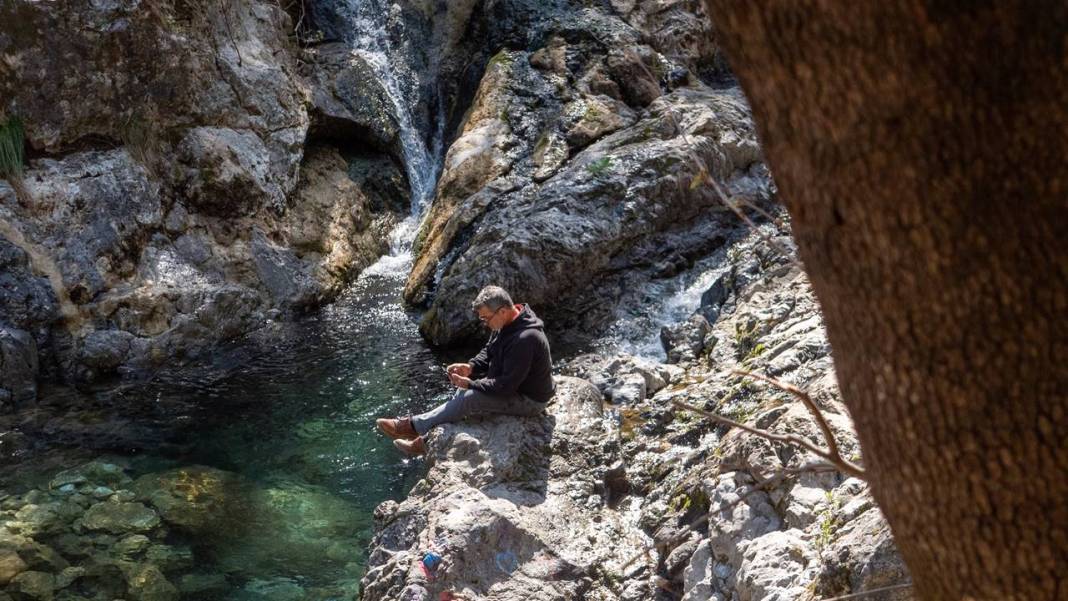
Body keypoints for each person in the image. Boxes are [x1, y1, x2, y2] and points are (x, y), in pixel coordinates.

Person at [376, 285, 556, 456]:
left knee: (470, 398)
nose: (485, 323)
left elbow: (505, 386)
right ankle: (425, 441)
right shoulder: (507, 322)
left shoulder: (525, 339)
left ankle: (411, 427)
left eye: (486, 318)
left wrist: (472, 383)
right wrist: (470, 367)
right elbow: (489, 350)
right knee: (463, 393)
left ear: (502, 311)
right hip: (514, 386)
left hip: (529, 400)